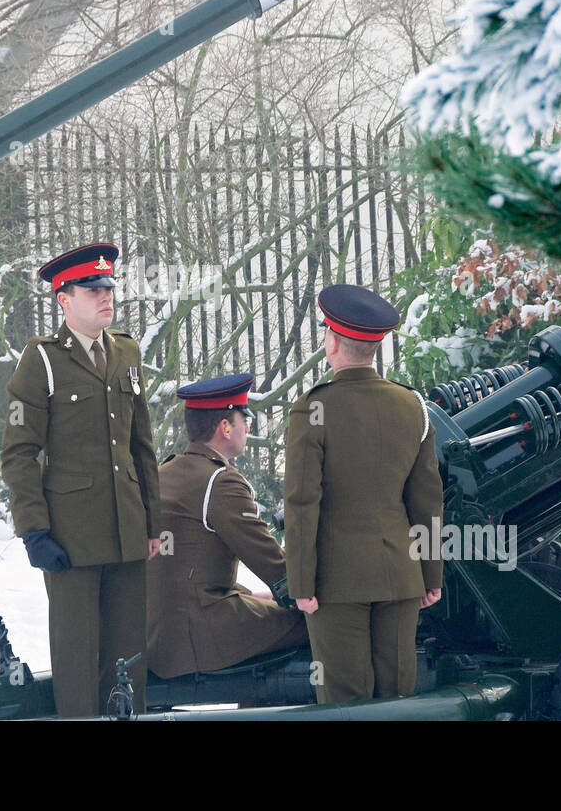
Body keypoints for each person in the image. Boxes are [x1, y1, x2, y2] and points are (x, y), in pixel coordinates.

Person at [2, 242, 160, 716]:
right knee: (76, 657)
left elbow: (141, 444)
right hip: (71, 537)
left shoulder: (126, 351)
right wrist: (33, 529)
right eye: (92, 289)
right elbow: (19, 453)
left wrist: (152, 522)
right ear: (64, 299)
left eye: (108, 287)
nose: (105, 296)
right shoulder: (43, 360)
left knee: (128, 657)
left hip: (127, 530)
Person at [283, 284, 443, 704]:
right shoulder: (412, 406)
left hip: (336, 582)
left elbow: (302, 502)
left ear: (332, 342)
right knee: (396, 701)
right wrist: (431, 575)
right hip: (401, 577)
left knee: (344, 703)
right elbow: (427, 501)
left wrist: (300, 582)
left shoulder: (312, 409)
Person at [148, 373, 307, 679]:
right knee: (321, 623)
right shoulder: (220, 481)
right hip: (196, 634)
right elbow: (278, 571)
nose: (248, 426)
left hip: (160, 633)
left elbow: (189, 567)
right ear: (225, 426)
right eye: (243, 418)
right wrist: (317, 592)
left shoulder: (165, 471)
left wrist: (256, 597)